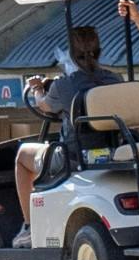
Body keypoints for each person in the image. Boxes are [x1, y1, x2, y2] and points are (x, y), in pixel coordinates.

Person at [10, 26, 123, 248]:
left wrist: (36, 88)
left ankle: (29, 226)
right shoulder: (115, 79)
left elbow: (44, 105)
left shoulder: (64, 85)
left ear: (70, 55)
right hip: (112, 149)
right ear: (99, 51)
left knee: (22, 156)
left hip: (73, 156)